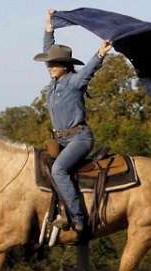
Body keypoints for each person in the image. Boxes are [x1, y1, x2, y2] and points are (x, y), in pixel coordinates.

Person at [33, 9, 112, 236]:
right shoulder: (55, 83)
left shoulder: (74, 82)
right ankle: (57, 211)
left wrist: (100, 54)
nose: (49, 67)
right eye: (49, 64)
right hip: (61, 140)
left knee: (58, 170)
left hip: (79, 139)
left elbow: (88, 72)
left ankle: (78, 218)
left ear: (65, 66)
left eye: (54, 64)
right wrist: (49, 26)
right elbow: (49, 50)